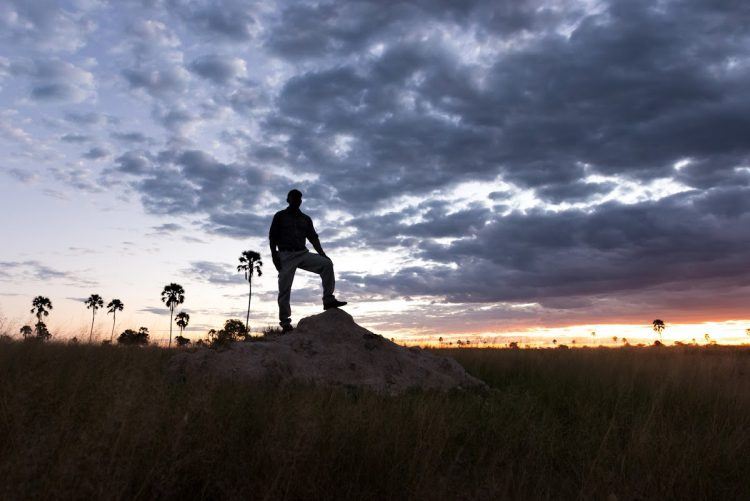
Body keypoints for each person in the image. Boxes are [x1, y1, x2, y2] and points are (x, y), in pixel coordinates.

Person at [269, 189, 347, 332]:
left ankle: (328, 299)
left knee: (327, 264)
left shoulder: (305, 219)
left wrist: (322, 254)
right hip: (286, 255)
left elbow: (313, 237)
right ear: (288, 200)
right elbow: (272, 236)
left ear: (301, 201)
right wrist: (274, 256)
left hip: (302, 253)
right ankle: (285, 322)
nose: (296, 200)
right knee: (284, 288)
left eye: (299, 198)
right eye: (294, 198)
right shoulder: (280, 216)